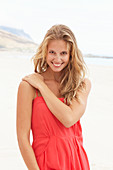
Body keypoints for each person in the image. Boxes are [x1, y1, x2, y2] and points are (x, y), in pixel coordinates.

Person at [16, 24, 91, 170]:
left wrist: (42, 87)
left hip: (76, 161)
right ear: (44, 52)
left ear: (71, 55)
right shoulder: (28, 87)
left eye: (63, 53)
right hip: (44, 162)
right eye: (52, 52)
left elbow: (68, 119)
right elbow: (22, 138)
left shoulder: (81, 85)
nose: (57, 59)